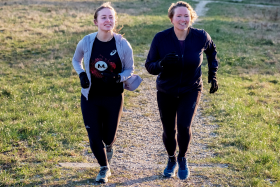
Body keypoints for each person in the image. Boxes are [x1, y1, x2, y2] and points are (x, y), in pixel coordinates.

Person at [145, 1, 218, 180]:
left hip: (191, 88)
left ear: (191, 17)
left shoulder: (201, 36)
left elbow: (211, 51)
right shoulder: (161, 38)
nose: (183, 19)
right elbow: (149, 66)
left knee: (184, 127)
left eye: (186, 15)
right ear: (171, 19)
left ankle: (183, 158)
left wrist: (212, 74)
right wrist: (161, 64)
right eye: (178, 16)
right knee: (169, 130)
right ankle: (171, 159)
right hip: (166, 90)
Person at [72, 2, 140, 183]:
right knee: (94, 135)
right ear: (96, 22)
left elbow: (129, 69)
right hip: (90, 96)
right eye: (104, 17)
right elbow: (76, 60)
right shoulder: (86, 41)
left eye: (111, 17)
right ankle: (104, 168)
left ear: (114, 21)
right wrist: (81, 75)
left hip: (113, 97)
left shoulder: (122, 44)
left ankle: (109, 146)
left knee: (108, 136)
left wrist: (118, 78)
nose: (107, 20)